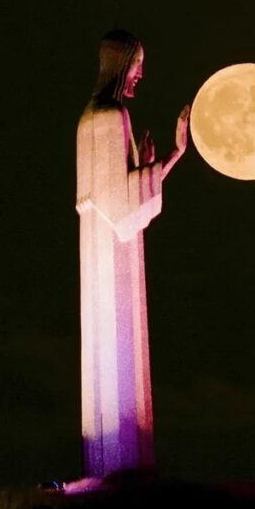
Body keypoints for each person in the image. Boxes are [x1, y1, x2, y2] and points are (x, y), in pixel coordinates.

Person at [76, 28, 189, 477]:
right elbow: (123, 203)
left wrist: (142, 169)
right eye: (138, 64)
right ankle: (124, 472)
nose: (141, 73)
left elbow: (114, 190)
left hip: (97, 246)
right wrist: (177, 155)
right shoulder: (111, 116)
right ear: (120, 63)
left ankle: (110, 472)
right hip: (113, 250)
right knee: (122, 358)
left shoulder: (88, 118)